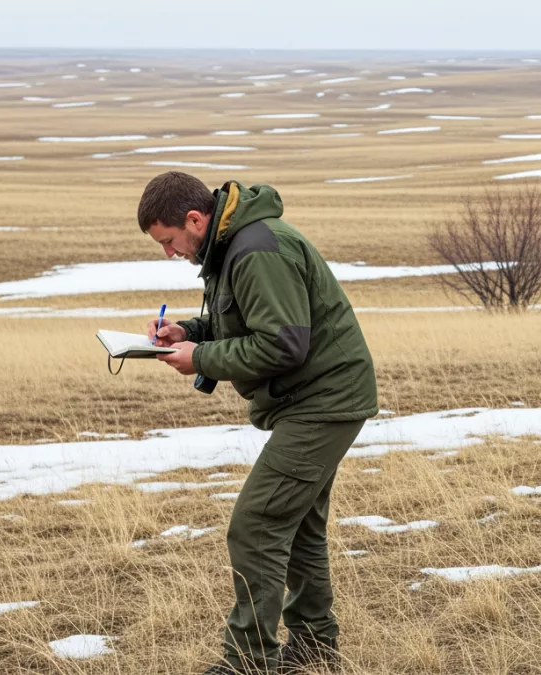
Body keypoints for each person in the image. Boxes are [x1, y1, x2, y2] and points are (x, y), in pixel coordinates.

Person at [139, 171, 378, 673]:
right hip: (315, 398)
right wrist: (189, 330)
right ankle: (315, 648)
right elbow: (251, 321)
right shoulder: (234, 245)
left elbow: (283, 344)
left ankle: (249, 662)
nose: (169, 252)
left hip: (324, 400)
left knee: (257, 524)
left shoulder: (256, 250)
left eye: (168, 241)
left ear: (195, 219)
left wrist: (201, 357)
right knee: (298, 527)